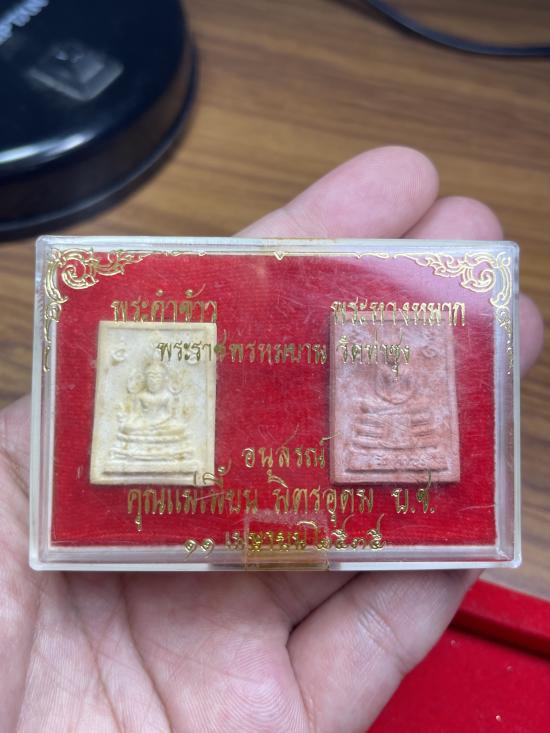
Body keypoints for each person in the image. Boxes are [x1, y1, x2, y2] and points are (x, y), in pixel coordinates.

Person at [0, 146, 543, 732]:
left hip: (397, 432)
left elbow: (403, 406)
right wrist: (150, 412)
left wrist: (398, 406)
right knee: (143, 428)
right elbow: (148, 414)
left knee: (399, 424)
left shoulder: (403, 374)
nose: (391, 373)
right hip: (156, 441)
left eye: (397, 367)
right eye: (153, 374)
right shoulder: (152, 385)